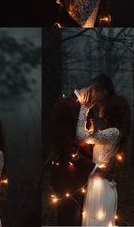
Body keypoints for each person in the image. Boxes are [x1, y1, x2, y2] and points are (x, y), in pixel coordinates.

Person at [76, 75, 132, 226]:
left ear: (111, 111)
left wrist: (84, 108)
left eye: (102, 106)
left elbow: (81, 135)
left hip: (101, 188)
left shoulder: (113, 132)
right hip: (98, 184)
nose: (100, 108)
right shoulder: (112, 132)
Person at [50, 89, 107, 225]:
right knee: (68, 219)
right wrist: (92, 168)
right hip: (67, 179)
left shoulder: (87, 109)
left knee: (82, 219)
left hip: (84, 179)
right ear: (90, 90)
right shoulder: (64, 106)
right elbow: (63, 146)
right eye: (97, 98)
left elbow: (87, 140)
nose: (97, 103)